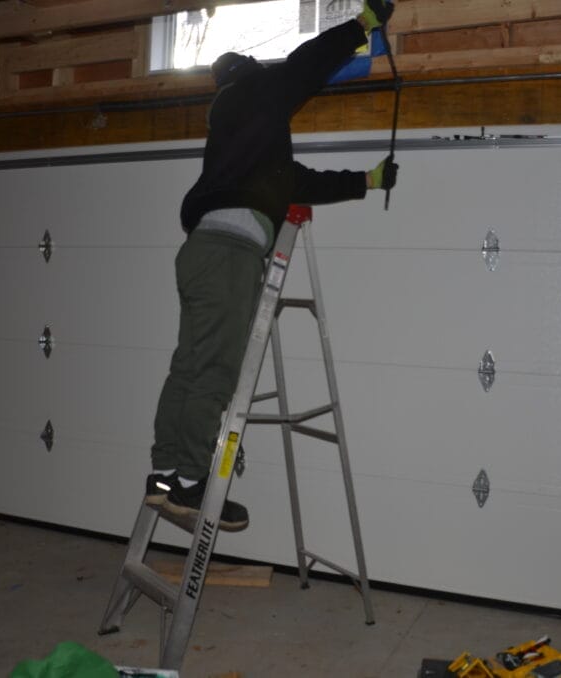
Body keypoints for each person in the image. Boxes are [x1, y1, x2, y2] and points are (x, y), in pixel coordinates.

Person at [145, 0, 399, 533]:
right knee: (214, 371)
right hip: (230, 258)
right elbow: (308, 64)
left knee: (189, 366)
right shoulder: (256, 95)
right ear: (253, 77)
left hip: (200, 254)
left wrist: (367, 181)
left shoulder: (243, 148)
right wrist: (360, 26)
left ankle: (164, 477)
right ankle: (191, 486)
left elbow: (299, 183)